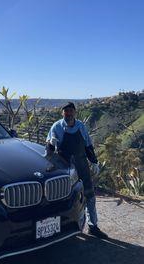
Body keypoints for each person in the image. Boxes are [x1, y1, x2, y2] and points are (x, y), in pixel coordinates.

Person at [46, 102, 108, 238]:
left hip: (81, 165)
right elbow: (49, 152)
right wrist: (51, 144)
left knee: (89, 195)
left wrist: (94, 162)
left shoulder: (81, 126)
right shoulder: (56, 127)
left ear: (75, 112)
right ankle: (62, 226)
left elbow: (88, 145)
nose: (68, 113)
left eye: (70, 111)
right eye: (65, 111)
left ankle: (93, 226)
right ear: (62, 113)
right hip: (65, 168)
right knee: (64, 197)